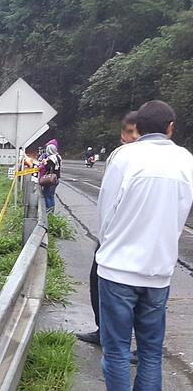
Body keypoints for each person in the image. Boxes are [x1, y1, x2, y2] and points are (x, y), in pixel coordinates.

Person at [82, 100, 193, 391]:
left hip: (118, 271)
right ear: (171, 127)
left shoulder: (124, 157)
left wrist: (112, 246)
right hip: (159, 272)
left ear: (138, 128)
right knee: (150, 352)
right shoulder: (186, 160)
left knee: (116, 351)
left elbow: (106, 211)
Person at [77, 111, 139, 346]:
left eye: (137, 132)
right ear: (123, 134)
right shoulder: (121, 156)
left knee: (131, 299)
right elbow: (107, 200)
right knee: (97, 283)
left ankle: (121, 342)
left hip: (136, 244)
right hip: (115, 238)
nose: (133, 137)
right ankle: (103, 330)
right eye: (130, 132)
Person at [40, 143, 61, 213]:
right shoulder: (58, 157)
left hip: (50, 179)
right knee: (51, 196)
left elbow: (49, 168)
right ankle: (52, 211)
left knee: (47, 195)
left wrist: (45, 163)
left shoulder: (50, 158)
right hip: (56, 178)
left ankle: (49, 211)